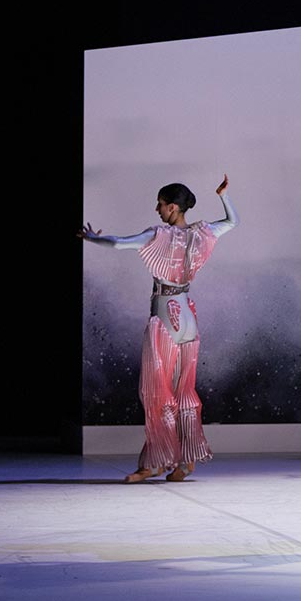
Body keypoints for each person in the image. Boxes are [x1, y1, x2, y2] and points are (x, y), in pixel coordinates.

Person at [80, 176, 239, 483]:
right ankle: (186, 461)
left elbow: (118, 243)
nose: (157, 209)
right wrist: (223, 196)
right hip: (187, 316)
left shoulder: (159, 235)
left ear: (173, 207)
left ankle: (155, 462)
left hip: (165, 317)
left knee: (156, 391)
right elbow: (233, 221)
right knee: (185, 390)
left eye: (161, 204)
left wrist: (92, 238)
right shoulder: (201, 233)